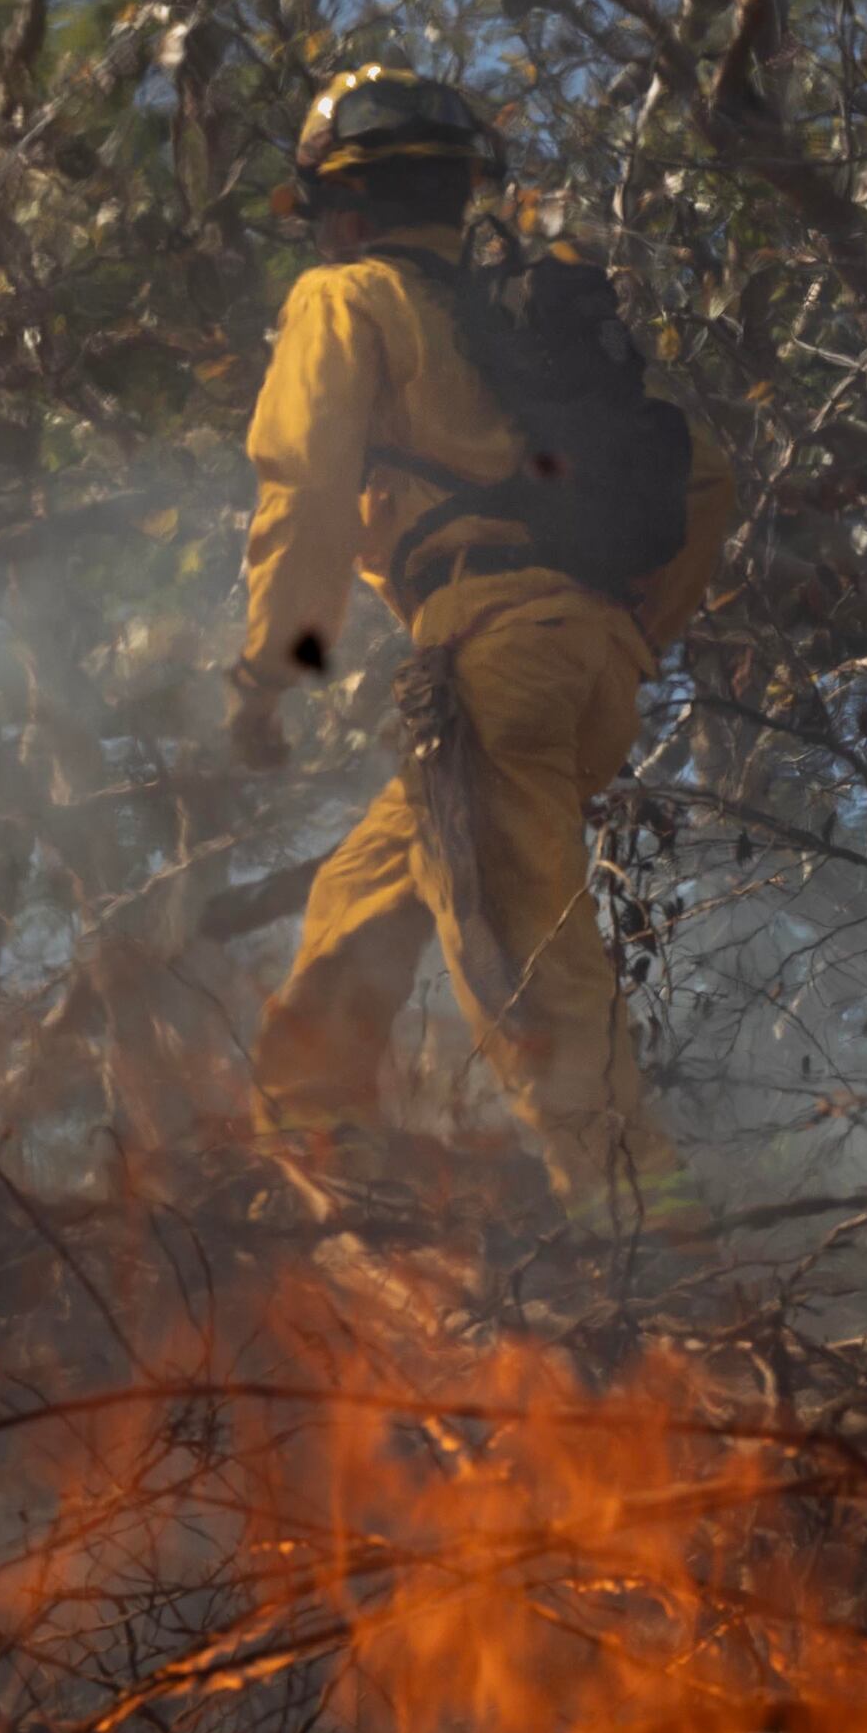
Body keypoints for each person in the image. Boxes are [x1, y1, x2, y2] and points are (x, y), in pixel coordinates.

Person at [225, 69, 732, 1219]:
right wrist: (618, 633)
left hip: (489, 655)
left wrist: (266, 679)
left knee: (519, 956)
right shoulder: (524, 322)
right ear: (461, 193)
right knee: (362, 893)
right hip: (586, 661)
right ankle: (318, 1163)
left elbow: (305, 489)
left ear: (340, 209)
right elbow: (706, 478)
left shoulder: (345, 297)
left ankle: (647, 1228)